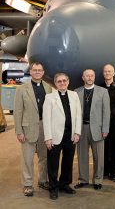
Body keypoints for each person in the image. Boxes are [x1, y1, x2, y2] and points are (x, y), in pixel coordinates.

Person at [14, 62, 52, 196]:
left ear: (43, 72)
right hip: (28, 128)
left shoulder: (48, 88)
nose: (37, 72)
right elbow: (18, 111)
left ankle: (43, 180)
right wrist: (19, 131)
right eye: (34, 70)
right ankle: (28, 184)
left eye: (39, 70)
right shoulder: (22, 89)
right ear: (30, 72)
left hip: (44, 127)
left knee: (44, 157)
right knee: (27, 159)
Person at [43, 73, 82, 200]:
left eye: (64, 81)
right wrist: (48, 137)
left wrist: (77, 132)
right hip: (55, 136)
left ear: (68, 82)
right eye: (59, 81)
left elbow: (78, 115)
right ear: (55, 83)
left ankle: (65, 184)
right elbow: (46, 119)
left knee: (68, 161)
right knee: (53, 163)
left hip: (70, 135)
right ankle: (53, 188)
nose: (62, 83)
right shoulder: (49, 98)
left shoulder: (74, 95)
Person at [74, 69, 110, 190]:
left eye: (92, 76)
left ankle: (98, 180)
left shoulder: (103, 92)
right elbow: (74, 113)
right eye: (87, 76)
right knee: (82, 156)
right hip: (81, 128)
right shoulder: (76, 92)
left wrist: (105, 129)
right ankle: (83, 179)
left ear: (94, 77)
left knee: (99, 156)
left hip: (98, 129)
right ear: (83, 78)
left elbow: (106, 112)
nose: (89, 78)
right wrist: (75, 130)